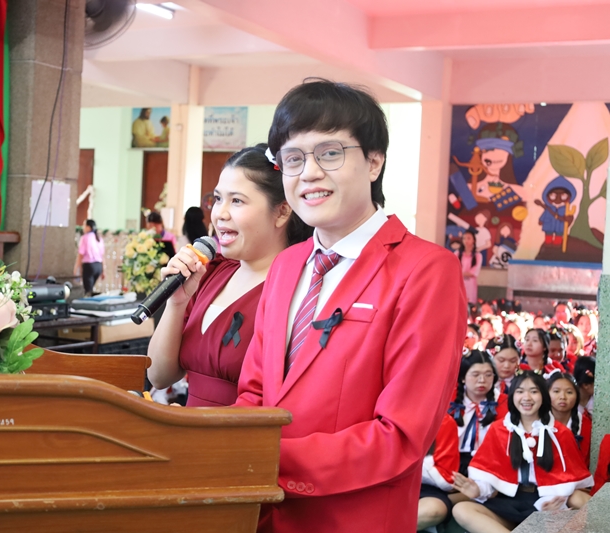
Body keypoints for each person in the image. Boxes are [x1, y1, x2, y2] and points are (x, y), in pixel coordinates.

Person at [234, 80, 467, 532]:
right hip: (262, 515)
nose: (309, 173)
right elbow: (254, 393)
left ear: (374, 162)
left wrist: (264, 460)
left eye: (330, 153)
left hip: (354, 519)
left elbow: (401, 434)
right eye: (293, 158)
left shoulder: (425, 270)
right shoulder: (286, 264)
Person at [147, 144, 312, 407]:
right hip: (187, 427)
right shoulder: (211, 274)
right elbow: (159, 376)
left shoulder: (299, 289)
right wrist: (177, 303)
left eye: (237, 201)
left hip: (242, 430)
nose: (219, 214)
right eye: (217, 199)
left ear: (282, 211)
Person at [451, 371, 593, 532]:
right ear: (512, 396)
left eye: (533, 391)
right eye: (520, 391)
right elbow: (491, 478)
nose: (526, 397)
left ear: (543, 396)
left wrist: (552, 503)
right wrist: (478, 490)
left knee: (581, 501)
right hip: (506, 502)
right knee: (462, 509)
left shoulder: (560, 433)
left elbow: (567, 480)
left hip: (546, 503)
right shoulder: (498, 429)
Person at [449, 351, 507, 476]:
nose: (482, 380)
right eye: (475, 375)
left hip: (490, 467)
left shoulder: (505, 403)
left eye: (488, 375)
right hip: (451, 463)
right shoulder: (448, 401)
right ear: (463, 378)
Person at [418, 415, 460, 531]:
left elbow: (447, 480)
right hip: (388, 484)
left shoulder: (443, 421)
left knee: (432, 510)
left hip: (429, 488)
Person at [547, 372, 592, 469]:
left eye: (569, 392)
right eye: (556, 391)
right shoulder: (537, 423)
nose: (563, 397)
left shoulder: (586, 425)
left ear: (577, 396)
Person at [75, 219, 104, 296]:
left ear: (89, 227)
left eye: (84, 225)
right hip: (98, 266)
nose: (83, 227)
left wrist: (76, 268)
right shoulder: (99, 238)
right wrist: (103, 270)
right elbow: (102, 256)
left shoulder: (85, 237)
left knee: (88, 290)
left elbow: (80, 254)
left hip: (89, 266)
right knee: (90, 288)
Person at [459, 228, 482, 304]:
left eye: (469, 238)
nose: (466, 240)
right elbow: (453, 270)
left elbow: (473, 273)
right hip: (458, 286)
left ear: (474, 240)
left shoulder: (478, 256)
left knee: (469, 306)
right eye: (464, 238)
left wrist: (460, 273)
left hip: (470, 287)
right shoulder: (457, 254)